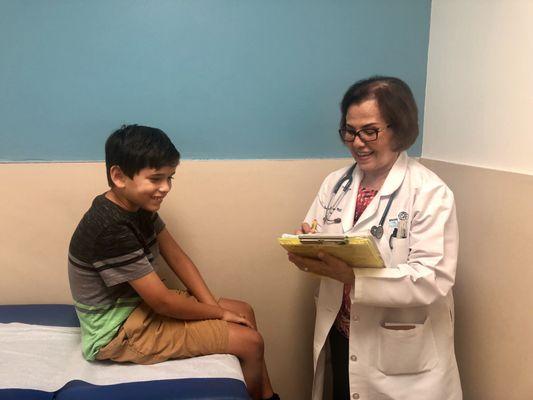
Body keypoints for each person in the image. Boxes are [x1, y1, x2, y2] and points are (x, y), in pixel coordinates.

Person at [68, 124, 279, 400]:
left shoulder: (137, 207)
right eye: (156, 179)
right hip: (117, 333)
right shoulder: (110, 227)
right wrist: (217, 314)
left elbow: (178, 258)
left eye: (170, 178)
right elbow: (162, 302)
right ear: (119, 176)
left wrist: (214, 307)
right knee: (251, 343)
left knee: (243, 311)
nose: (165, 188)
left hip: (137, 310)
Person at [287, 77, 462, 400]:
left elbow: (432, 277)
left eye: (370, 131)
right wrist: (307, 245)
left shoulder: (430, 192)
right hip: (344, 333)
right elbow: (318, 234)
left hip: (404, 351)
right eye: (350, 131)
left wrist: (353, 277)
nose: (357, 142)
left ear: (400, 128)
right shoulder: (335, 184)